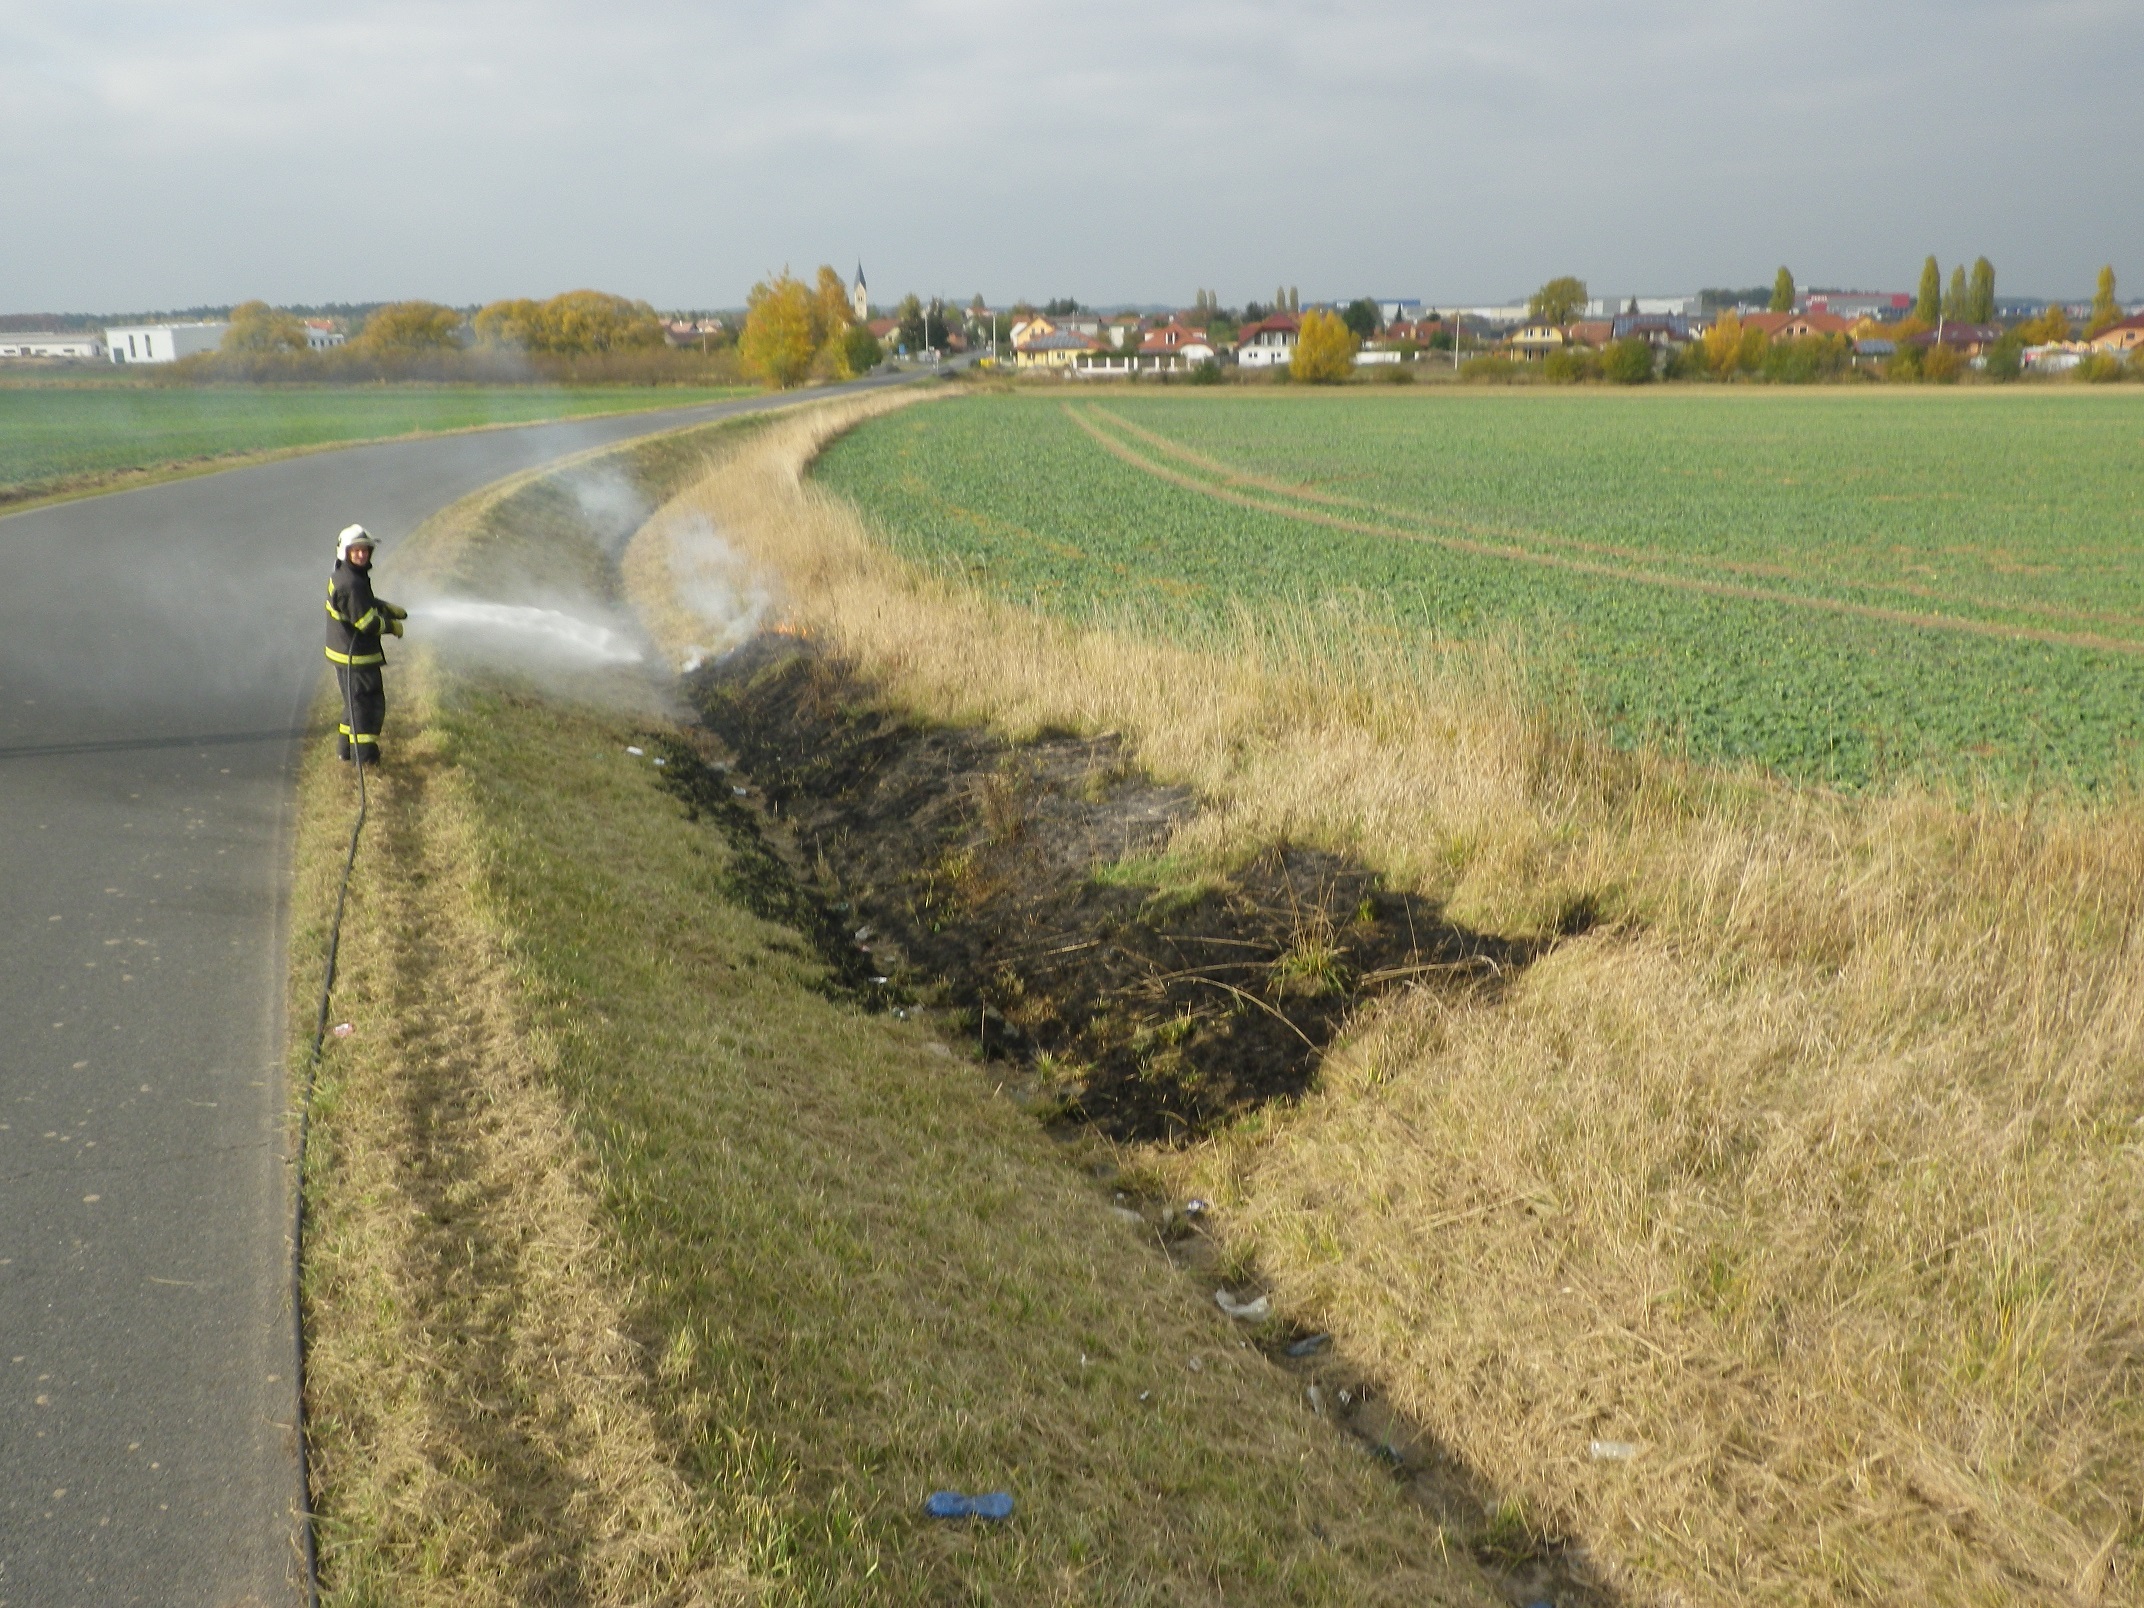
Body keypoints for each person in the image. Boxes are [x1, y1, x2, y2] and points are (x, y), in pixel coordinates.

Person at [324, 523, 406, 764]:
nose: (361, 555)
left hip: (345, 653)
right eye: (356, 550)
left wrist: (384, 607)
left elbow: (362, 604)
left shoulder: (346, 575)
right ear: (345, 552)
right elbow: (366, 623)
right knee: (366, 706)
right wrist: (391, 626)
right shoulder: (351, 584)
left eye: (365, 550)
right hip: (356, 657)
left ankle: (345, 751)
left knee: (353, 703)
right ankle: (365, 758)